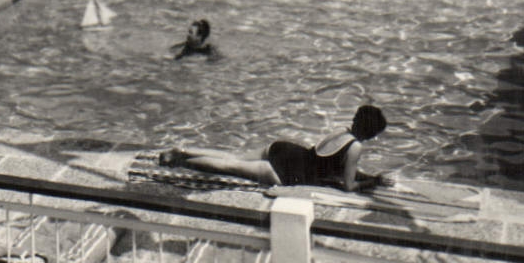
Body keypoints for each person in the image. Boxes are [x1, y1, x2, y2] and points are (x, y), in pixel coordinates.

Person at [160, 104, 392, 192]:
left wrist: (369, 176)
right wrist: (374, 182)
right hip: (287, 172)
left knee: (234, 156)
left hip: (286, 150)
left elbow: (331, 162)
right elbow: (349, 186)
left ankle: (184, 150)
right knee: (229, 167)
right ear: (372, 133)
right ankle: (179, 162)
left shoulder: (342, 131)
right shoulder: (355, 147)